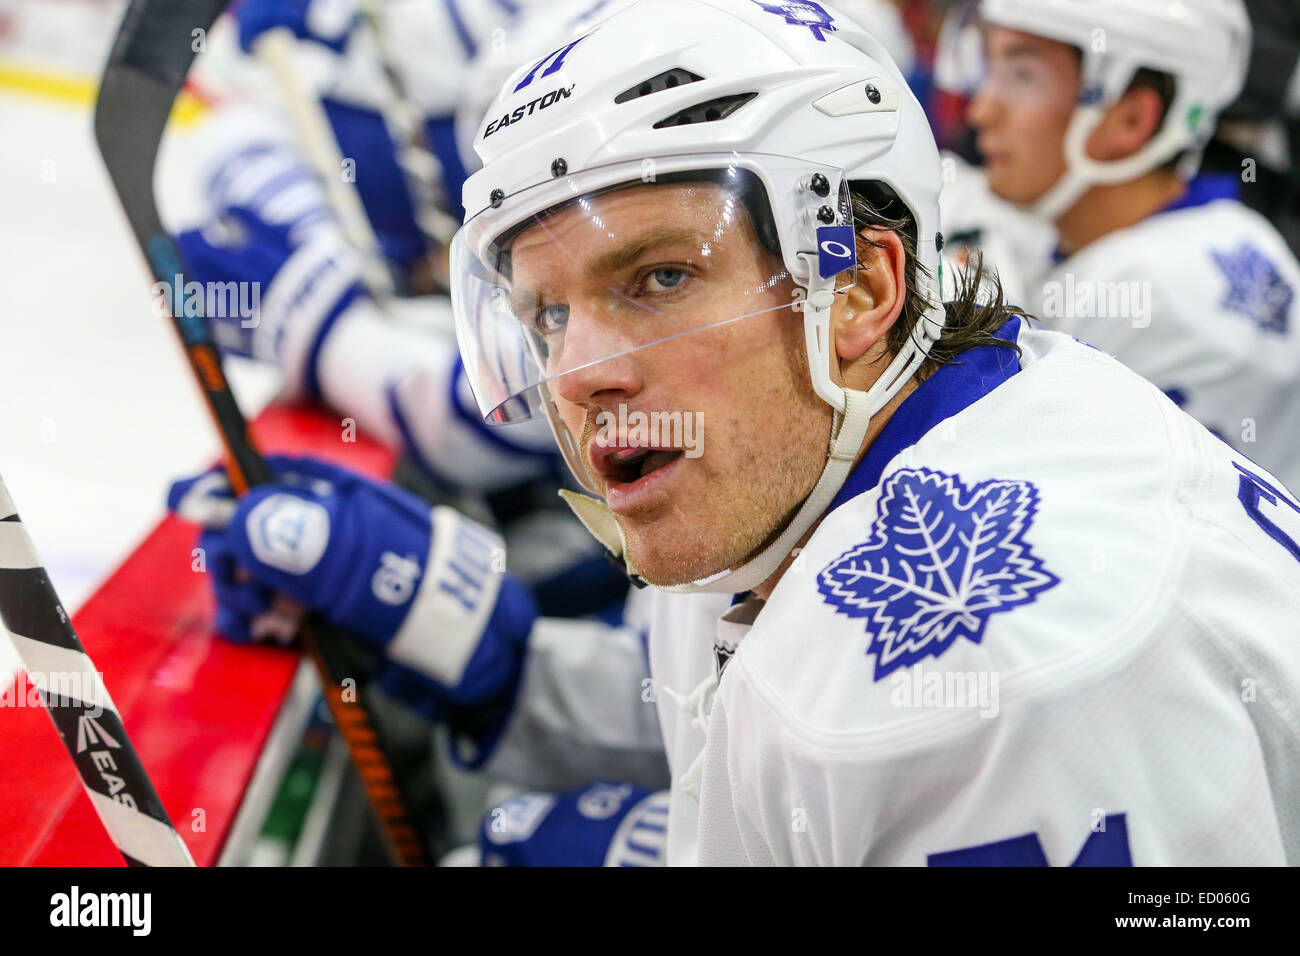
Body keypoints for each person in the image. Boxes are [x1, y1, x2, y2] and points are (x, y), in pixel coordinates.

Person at [174, 0, 1300, 865]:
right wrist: (478, 640)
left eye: (660, 274)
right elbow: (742, 697)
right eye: (545, 311)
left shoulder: (997, 680)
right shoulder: (814, 454)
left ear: (857, 287)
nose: (579, 374)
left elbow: (841, 722)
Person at [967, 0, 1300, 487]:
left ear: (1130, 117)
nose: (982, 110)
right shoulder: (1236, 230)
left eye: (1022, 76)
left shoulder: (1138, 292)